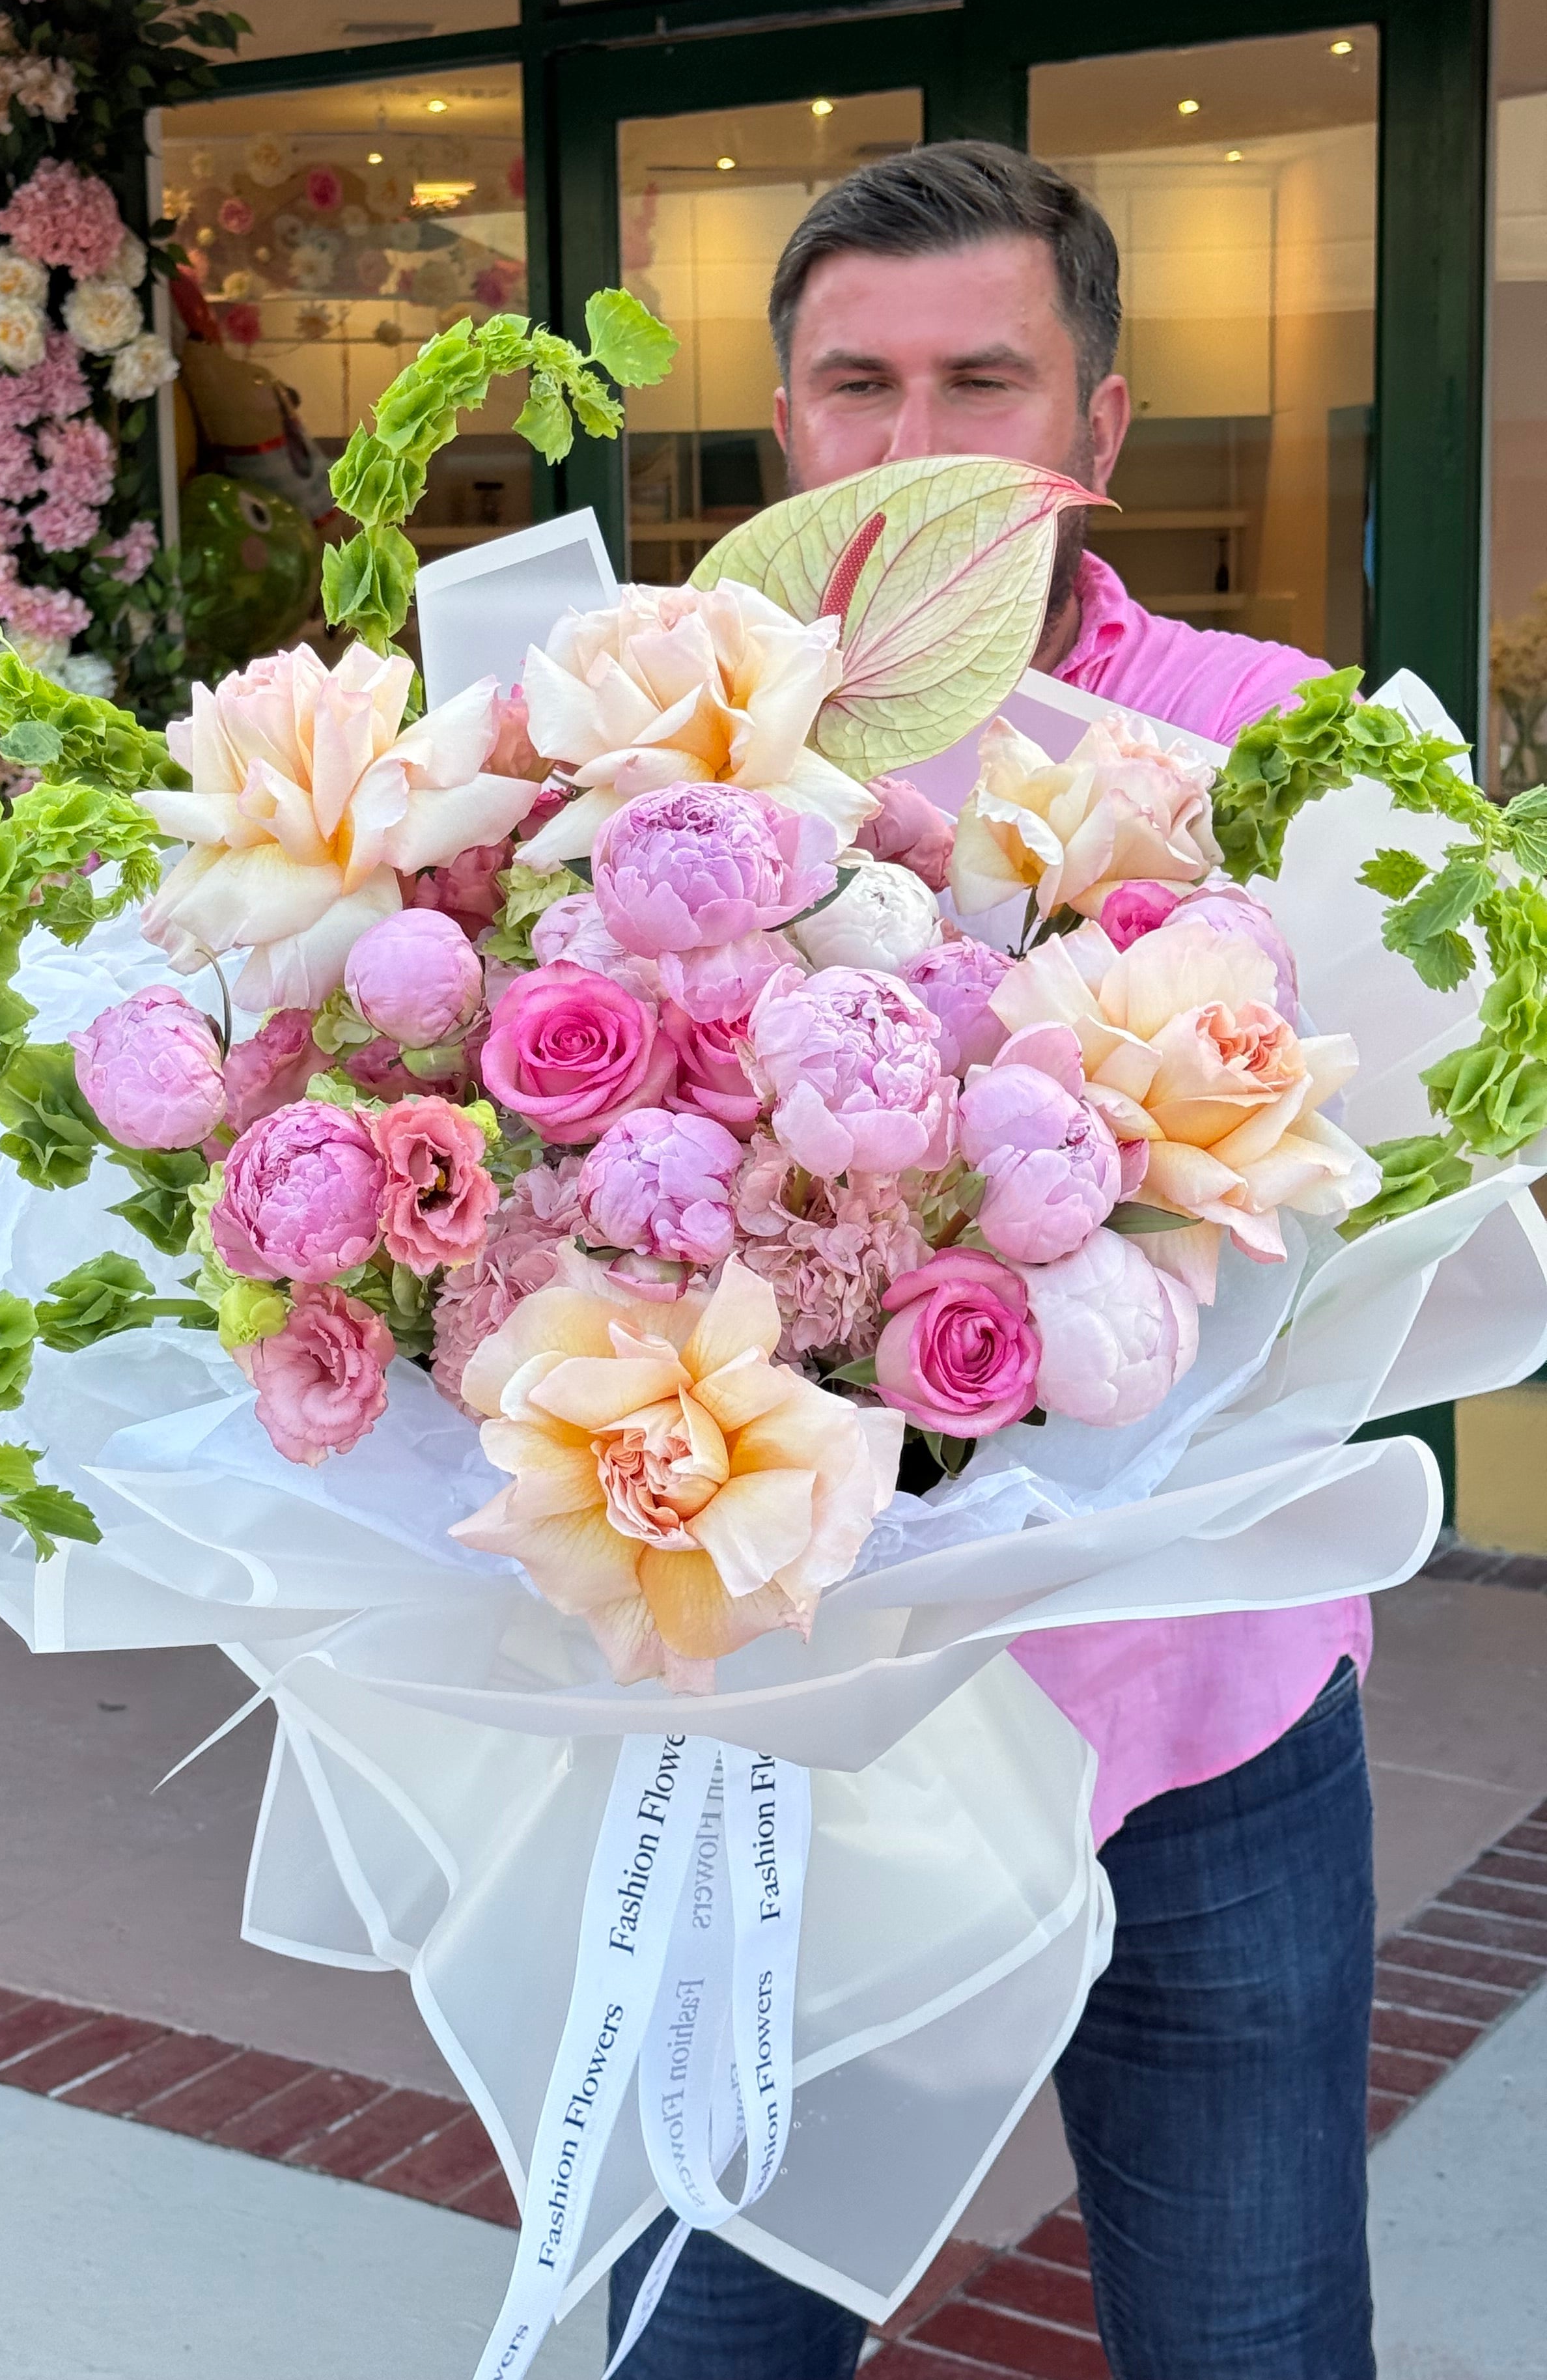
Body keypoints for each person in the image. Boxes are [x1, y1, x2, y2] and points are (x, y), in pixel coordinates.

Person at [607, 144, 1376, 2380]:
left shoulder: (1260, 731)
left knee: (1252, 2340)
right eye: (857, 386)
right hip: (810, 1734)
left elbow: (1377, 1187)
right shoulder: (662, 762)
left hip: (1198, 1713)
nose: (917, 448)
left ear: (1099, 431)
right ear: (783, 428)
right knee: (711, 2334)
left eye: (985, 381)